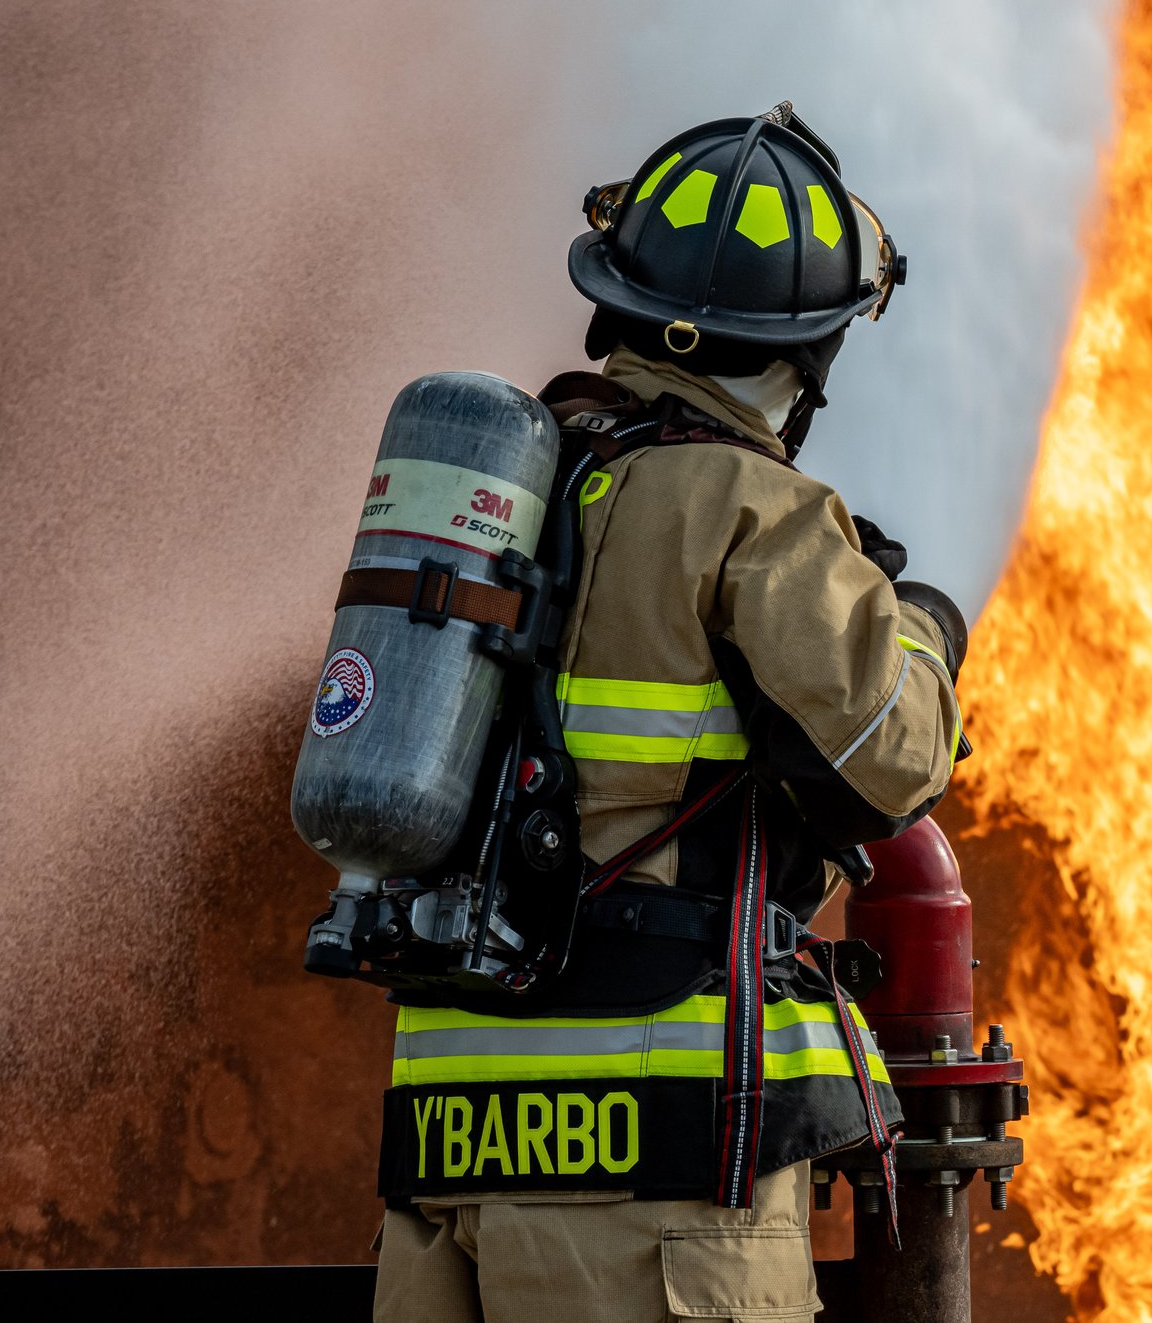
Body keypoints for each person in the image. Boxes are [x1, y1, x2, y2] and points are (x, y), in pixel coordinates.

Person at [373, 103, 967, 1323]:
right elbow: (891, 758)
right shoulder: (754, 506)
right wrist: (921, 623)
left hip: (451, 1154)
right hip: (654, 1174)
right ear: (808, 350)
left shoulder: (522, 486)